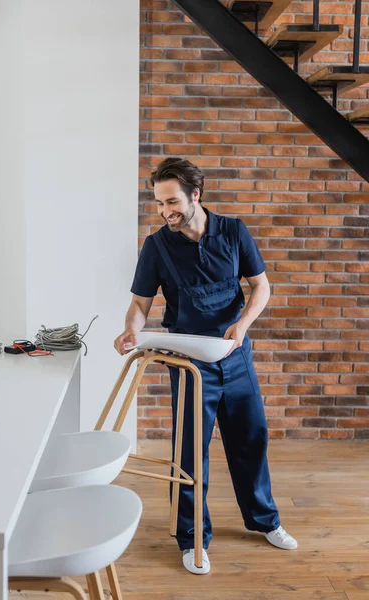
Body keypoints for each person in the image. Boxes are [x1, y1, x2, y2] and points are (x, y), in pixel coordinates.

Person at [114, 157, 297, 575]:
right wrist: (131, 330)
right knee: (190, 454)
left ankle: (265, 521)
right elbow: (141, 304)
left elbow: (261, 286)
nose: (165, 211)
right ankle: (192, 538)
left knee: (251, 441)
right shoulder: (157, 246)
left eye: (173, 201)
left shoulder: (233, 231)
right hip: (190, 365)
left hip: (234, 357)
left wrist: (243, 325)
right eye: (160, 204)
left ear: (196, 195)